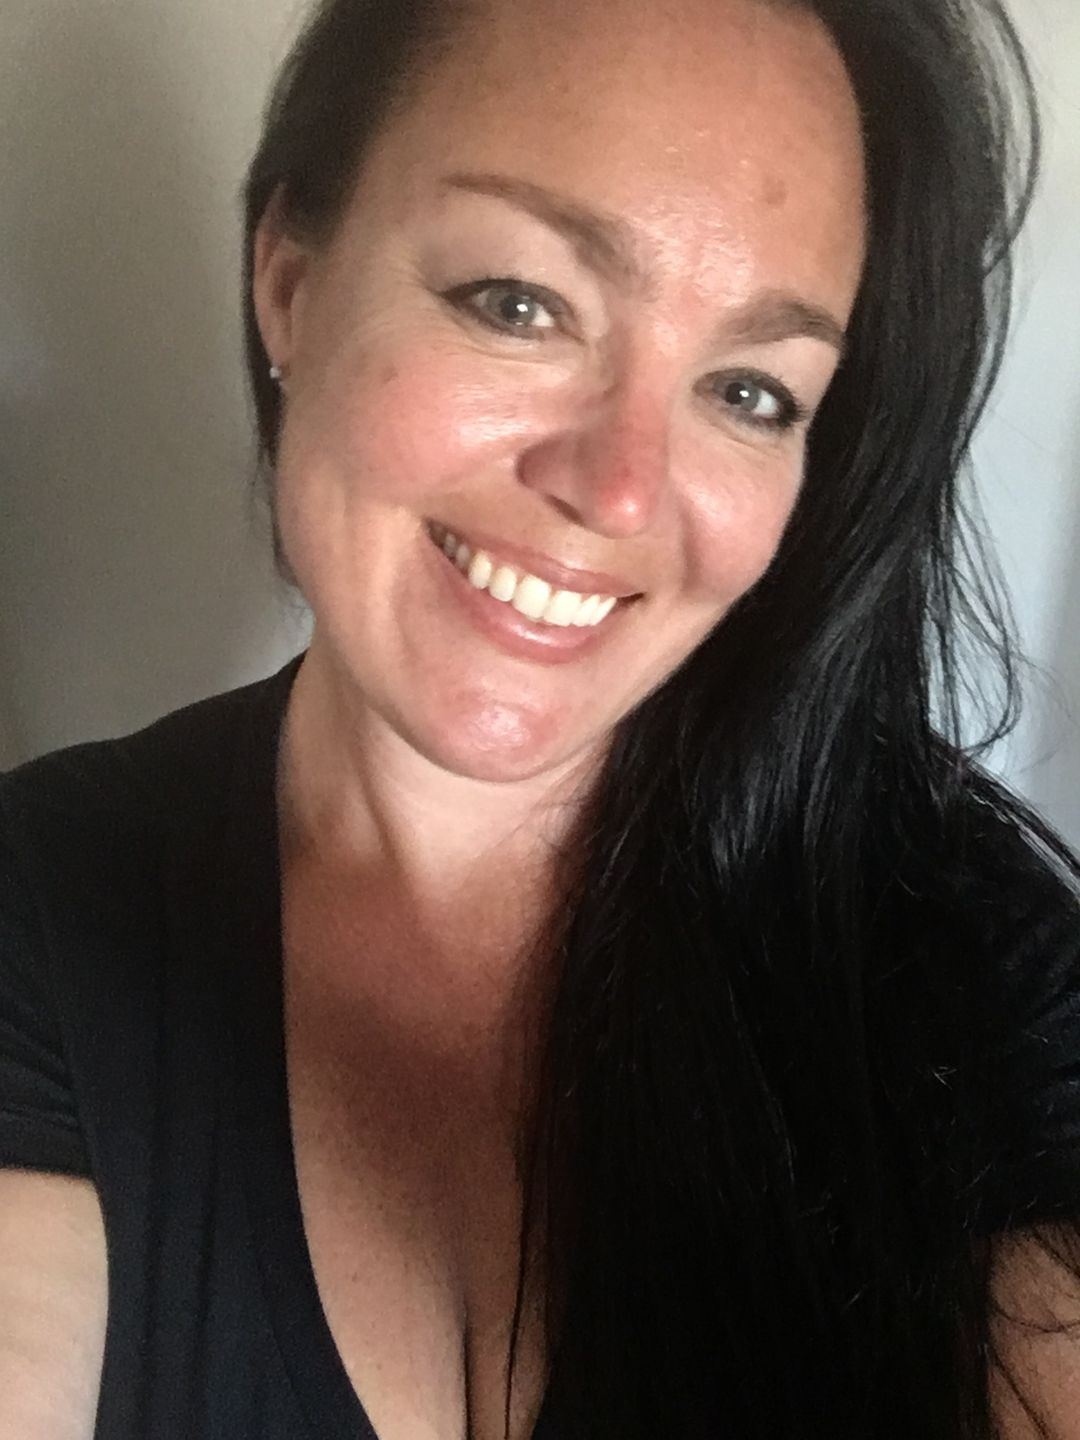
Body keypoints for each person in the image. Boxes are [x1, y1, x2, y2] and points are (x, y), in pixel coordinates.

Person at [2, 0, 1079, 1435]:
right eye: (519, 303)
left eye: (750, 391)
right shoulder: (45, 902)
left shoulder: (970, 954)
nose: (619, 491)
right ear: (291, 280)